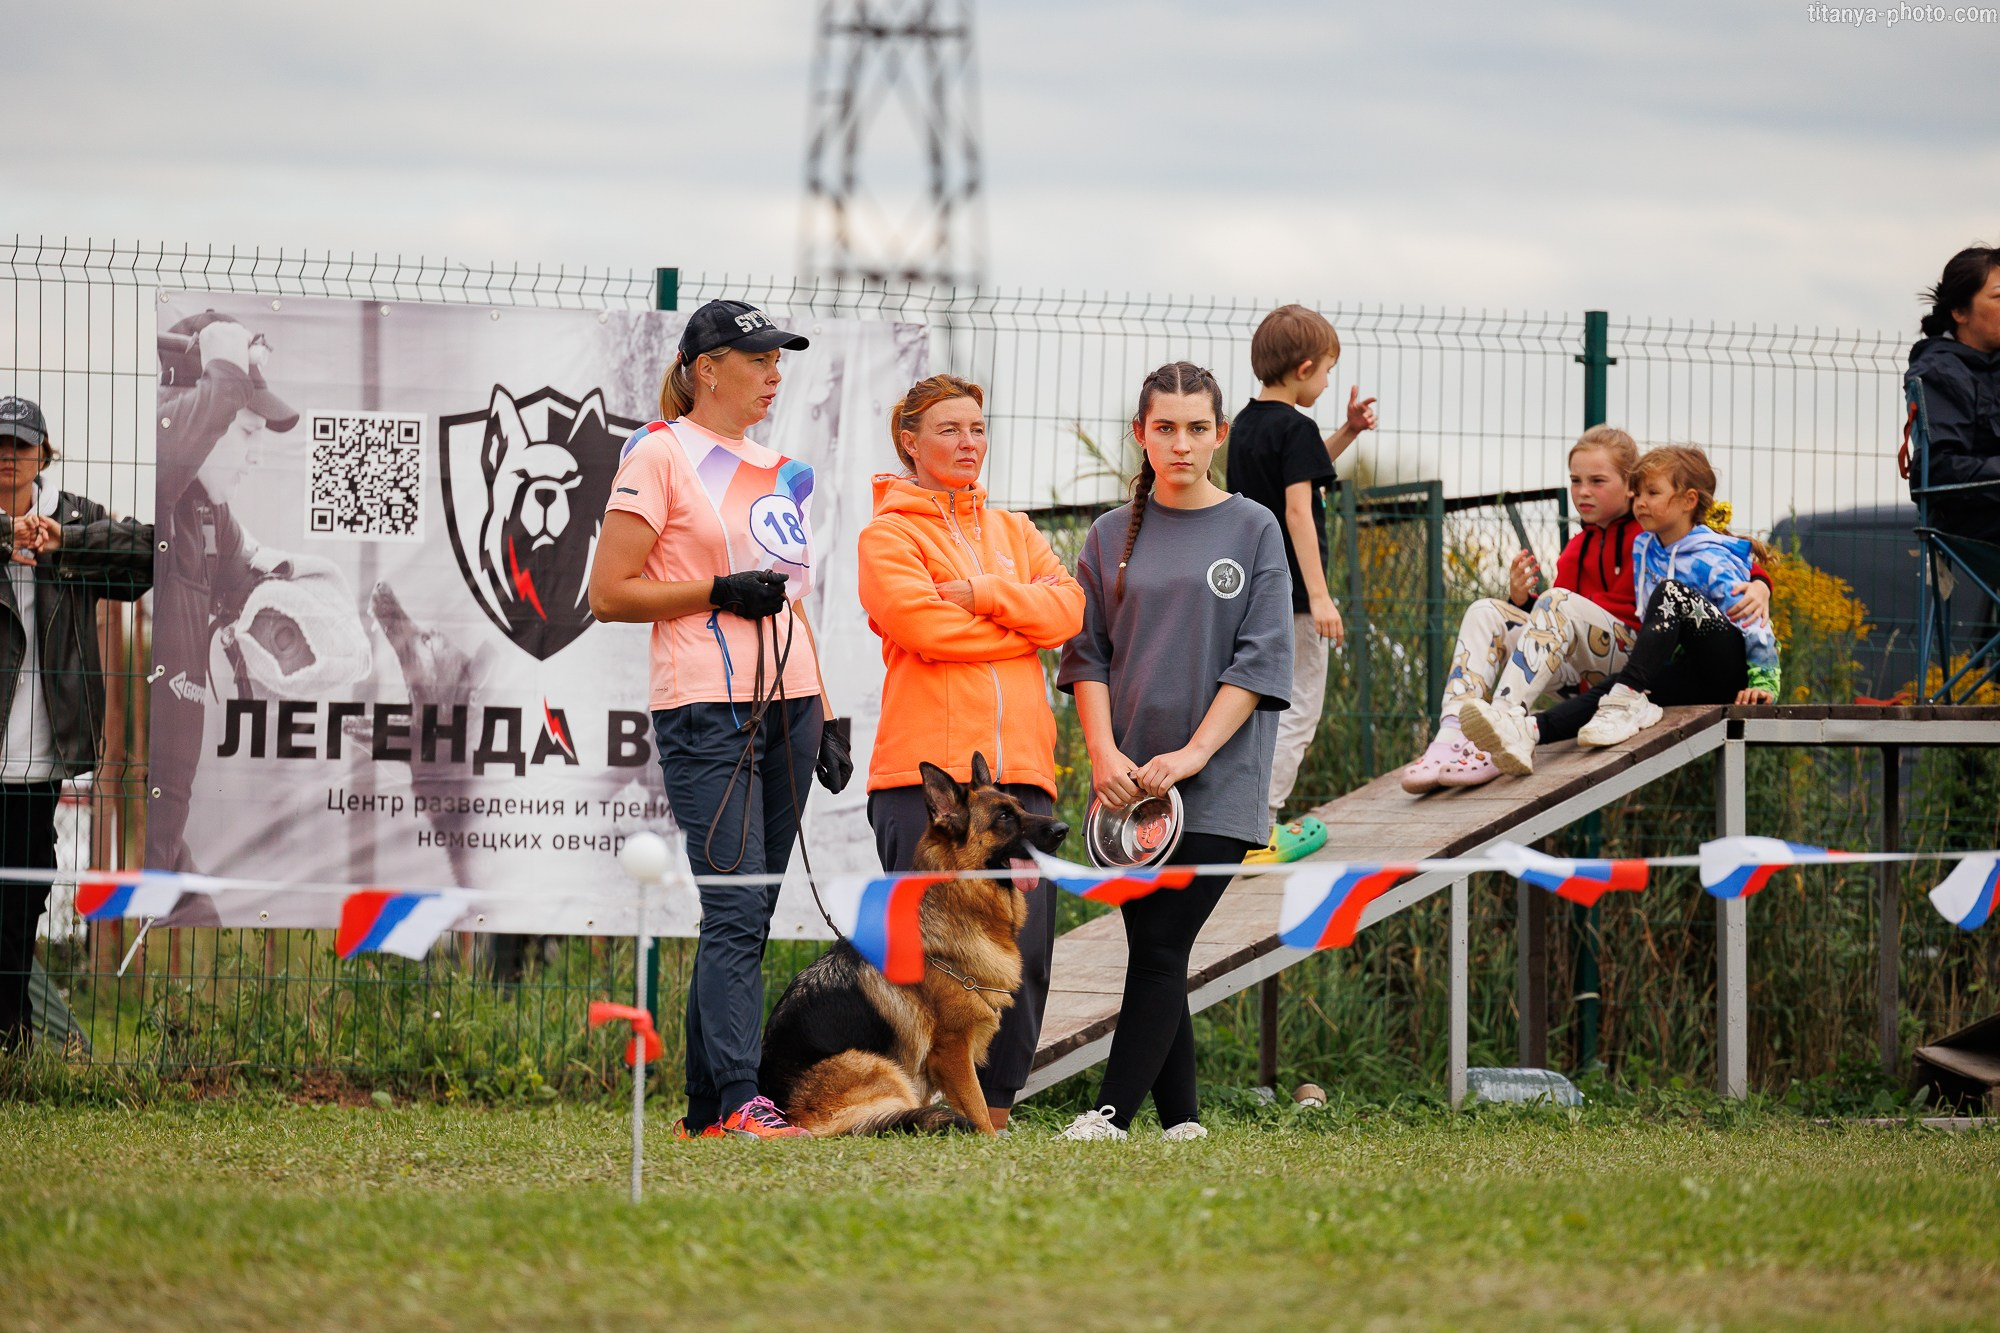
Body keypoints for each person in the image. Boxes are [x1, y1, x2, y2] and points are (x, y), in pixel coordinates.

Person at [588, 299, 839, 1142]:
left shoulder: (783, 469)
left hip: (793, 703)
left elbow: (792, 601)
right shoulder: (657, 453)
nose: (775, 372)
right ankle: (738, 1099)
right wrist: (715, 593)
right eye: (758, 357)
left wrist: (827, 712)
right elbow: (609, 592)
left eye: (780, 358)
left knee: (753, 909)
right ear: (706, 369)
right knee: (733, 906)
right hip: (706, 706)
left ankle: (707, 1111)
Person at [1055, 362, 1293, 1141]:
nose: (1182, 443)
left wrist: (1193, 753)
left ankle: (1110, 1114)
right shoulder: (1104, 536)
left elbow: (1259, 664)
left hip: (1217, 778)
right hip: (1131, 790)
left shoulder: (1256, 527)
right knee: (1157, 943)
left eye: (1197, 428)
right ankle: (1183, 1121)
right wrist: (1102, 755)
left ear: (1220, 433)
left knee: (1160, 942)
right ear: (1141, 434)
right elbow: (1086, 658)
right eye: (1166, 427)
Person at [856, 374, 1084, 1132]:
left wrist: (983, 592)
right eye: (950, 430)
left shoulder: (1015, 531)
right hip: (923, 786)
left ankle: (999, 1111)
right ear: (910, 442)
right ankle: (909, 1104)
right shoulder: (887, 534)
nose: (968, 444)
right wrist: (1023, 625)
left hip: (1019, 779)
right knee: (925, 965)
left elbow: (1070, 611)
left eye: (978, 428)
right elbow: (922, 628)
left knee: (1028, 956)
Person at [1401, 427, 1773, 793]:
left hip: (1639, 659)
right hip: (1585, 673)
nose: (1583, 492)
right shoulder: (1576, 548)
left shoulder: (1652, 532)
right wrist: (1522, 604)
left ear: (1631, 484)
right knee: (1486, 610)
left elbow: (1715, 553)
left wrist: (1761, 584)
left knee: (1557, 600)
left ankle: (1501, 729)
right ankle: (1452, 732)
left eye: (1597, 481)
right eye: (1576, 481)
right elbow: (1558, 628)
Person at [149, 312, 370, 872]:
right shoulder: (146, 482)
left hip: (168, 808)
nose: (256, 454)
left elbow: (260, 584)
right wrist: (222, 375)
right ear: (198, 411)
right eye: (244, 429)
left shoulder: (207, 513)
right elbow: (166, 442)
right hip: (124, 803)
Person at [0, 396, 152, 1051]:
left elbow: (148, 554)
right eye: (0, 444)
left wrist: (65, 542)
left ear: (44, 453)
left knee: (22, 905)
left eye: (21, 445)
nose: (9, 456)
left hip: (43, 755)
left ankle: (12, 1036)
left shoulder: (77, 516)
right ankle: (15, 1036)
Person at [1223, 304, 1377, 842]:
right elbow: (1297, 509)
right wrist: (1321, 596)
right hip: (1293, 598)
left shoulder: (1244, 425)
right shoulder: (1296, 425)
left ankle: (1237, 820)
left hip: (1249, 594)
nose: (1330, 382)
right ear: (1305, 368)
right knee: (1299, 709)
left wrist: (1349, 431)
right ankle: (1260, 826)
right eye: (1329, 371)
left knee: (1254, 710)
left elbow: (1303, 471)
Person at [1906, 246, 2000, 540]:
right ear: (1960, 312)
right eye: (1998, 297)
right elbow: (1938, 469)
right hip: (1971, 519)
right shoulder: (1939, 370)